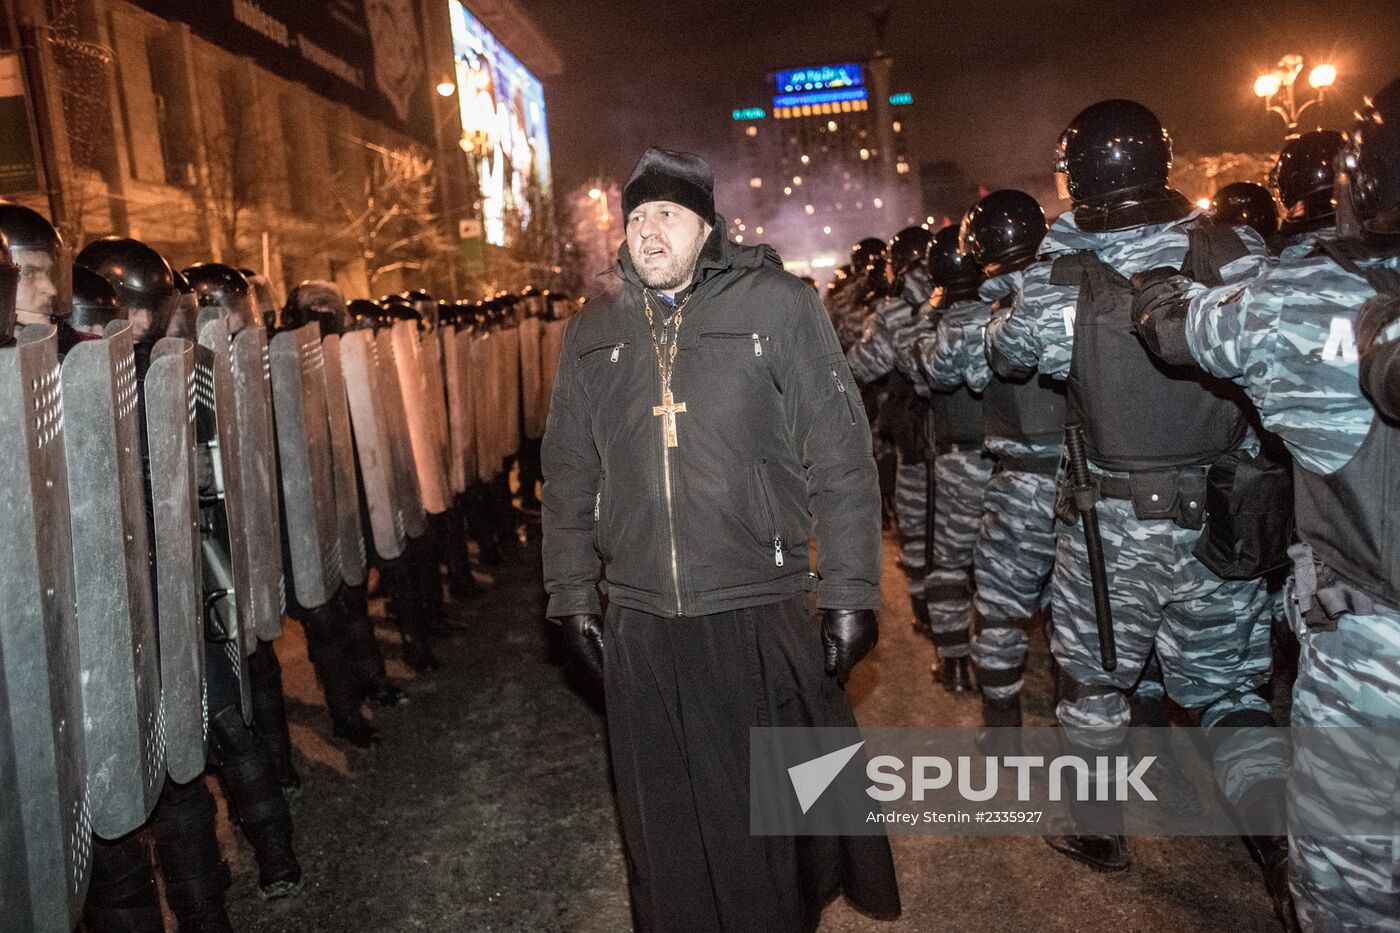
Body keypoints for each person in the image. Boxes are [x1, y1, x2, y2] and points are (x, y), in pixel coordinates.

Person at [542, 146, 899, 932]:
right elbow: (567, 469)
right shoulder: (595, 328)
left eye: (666, 214)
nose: (648, 232)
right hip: (639, 617)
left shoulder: (776, 305)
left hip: (754, 605)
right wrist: (570, 592)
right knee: (660, 826)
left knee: (762, 828)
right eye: (635, 218)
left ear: (707, 226)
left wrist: (849, 591)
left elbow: (839, 455)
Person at [985, 101, 1292, 920]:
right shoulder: (1236, 251)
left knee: (1094, 682)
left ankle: (1099, 833)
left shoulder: (1059, 279)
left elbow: (1004, 350)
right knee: (1232, 691)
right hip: (1226, 516)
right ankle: (1277, 841)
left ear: (1077, 174)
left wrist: (1045, 256)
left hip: (1109, 527)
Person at [1131, 76, 1400, 932]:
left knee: (1349, 897)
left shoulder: (1304, 297)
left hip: (1373, 651)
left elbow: (1178, 329)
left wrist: (1157, 281)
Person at [921, 190, 1060, 726]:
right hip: (1080, 479)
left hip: (1010, 476)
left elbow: (940, 373)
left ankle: (1000, 725)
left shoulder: (970, 317)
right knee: (1071, 606)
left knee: (998, 602)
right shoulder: (1073, 288)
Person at [911, 224, 991, 692]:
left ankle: (955, 661)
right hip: (1014, 462)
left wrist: (927, 315)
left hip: (957, 458)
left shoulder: (943, 322)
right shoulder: (1009, 309)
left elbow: (924, 378)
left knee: (949, 564)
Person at [848, 225, 935, 639]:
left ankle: (933, 625)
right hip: (979, 441)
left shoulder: (892, 309)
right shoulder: (975, 290)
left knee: (918, 533)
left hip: (916, 434)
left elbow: (863, 366)